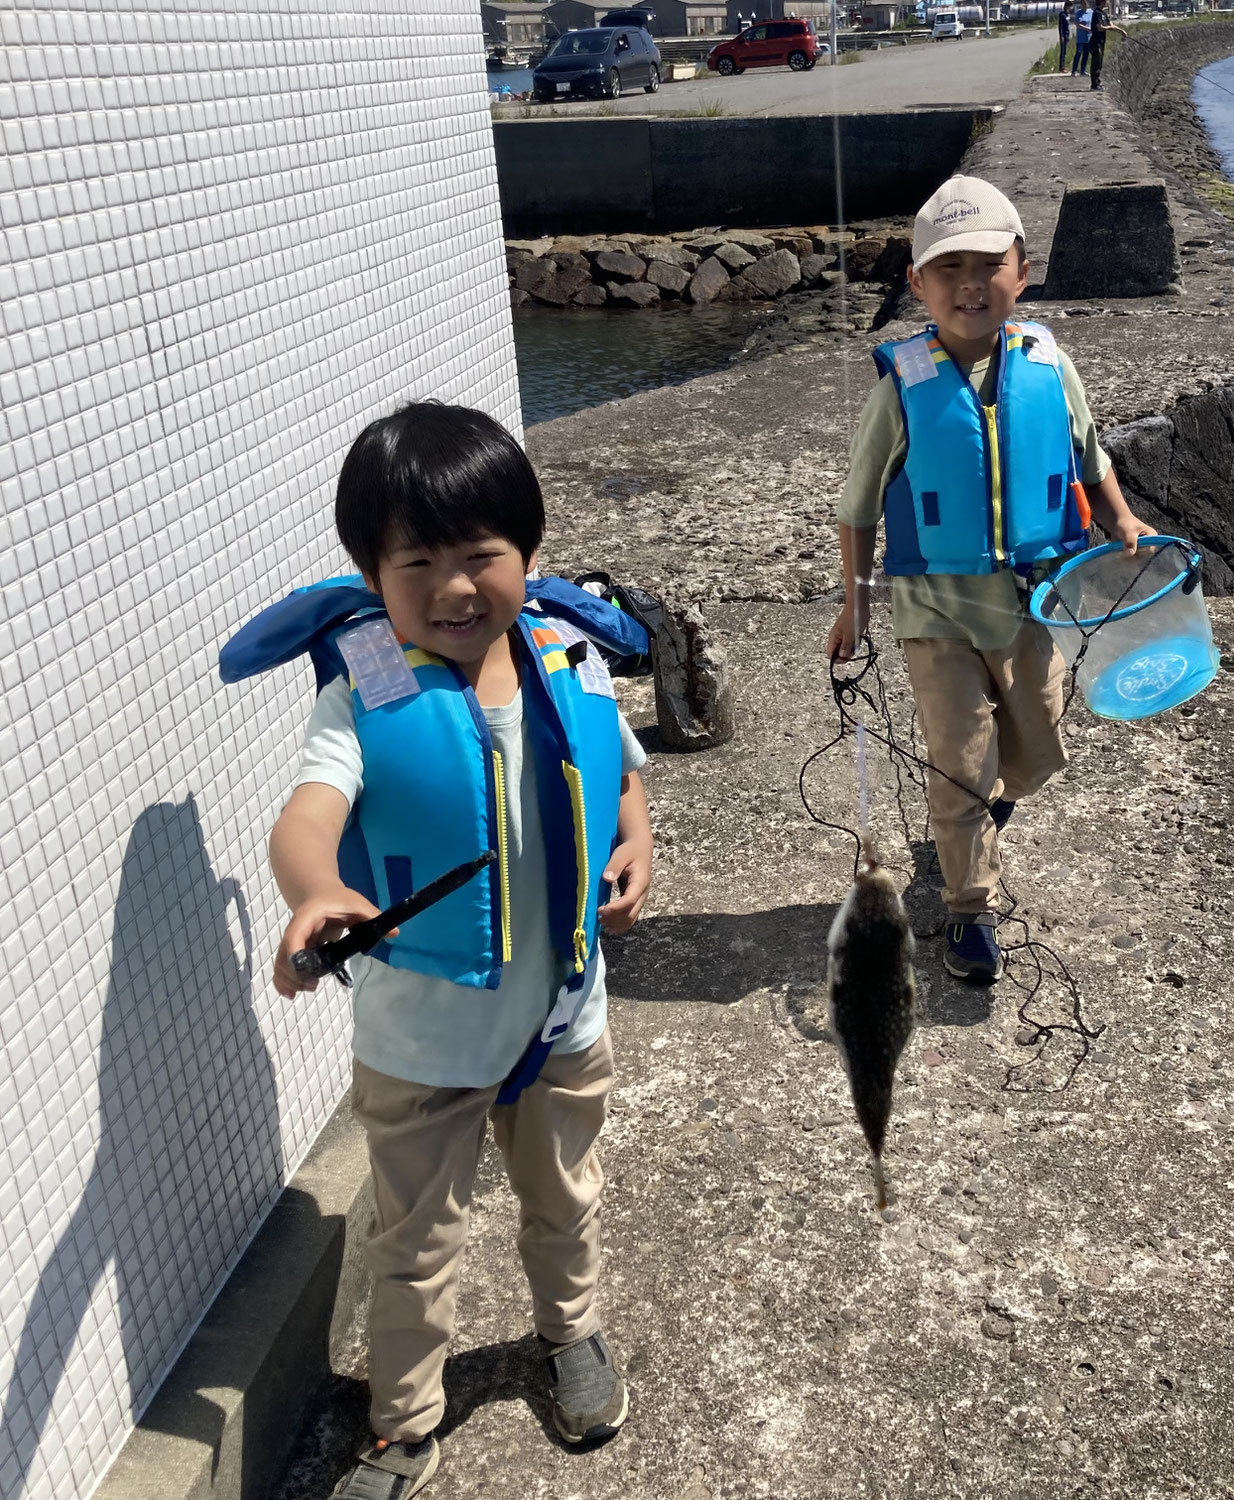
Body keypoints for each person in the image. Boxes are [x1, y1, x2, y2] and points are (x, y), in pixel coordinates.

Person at [232, 404, 653, 1498]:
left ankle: (572, 1333)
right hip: (422, 1046)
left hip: (565, 1021)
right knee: (415, 1245)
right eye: (417, 562)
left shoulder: (572, 659)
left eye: (482, 556)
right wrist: (316, 888)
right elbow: (308, 814)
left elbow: (620, 771)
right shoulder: (362, 691)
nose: (455, 587)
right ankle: (405, 1419)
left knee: (567, 1201)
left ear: (528, 554)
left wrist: (638, 849)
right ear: (371, 575)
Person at [825, 177, 1150, 983]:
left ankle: (972, 823)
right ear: (917, 284)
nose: (970, 284)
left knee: (1037, 750)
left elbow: (1090, 457)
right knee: (960, 761)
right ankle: (970, 909)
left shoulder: (1050, 364)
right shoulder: (901, 388)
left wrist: (1123, 522)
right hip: (935, 612)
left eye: (987, 264)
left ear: (1023, 269)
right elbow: (858, 507)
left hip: (1031, 604)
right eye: (948, 268)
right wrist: (855, 605)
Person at [1089, 0, 1115, 89]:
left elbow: (1110, 24)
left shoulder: (1103, 13)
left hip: (1102, 41)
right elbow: (1100, 27)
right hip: (1095, 42)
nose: (1107, 2)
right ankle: (1094, 84)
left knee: (1100, 63)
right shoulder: (1096, 13)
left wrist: (1121, 31)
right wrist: (1109, 27)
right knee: (1096, 63)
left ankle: (1098, 82)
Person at [1070, 4, 1092, 74]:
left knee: (1086, 54)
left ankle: (1083, 70)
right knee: (1078, 53)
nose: (1084, 5)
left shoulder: (1091, 12)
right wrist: (1087, 29)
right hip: (1080, 37)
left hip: (1088, 37)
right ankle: (1074, 70)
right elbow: (1077, 24)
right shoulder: (1078, 13)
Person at [1056, 0, 1072, 71]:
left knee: (1065, 52)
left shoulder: (1067, 15)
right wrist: (1061, 35)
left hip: (1067, 35)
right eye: (1070, 7)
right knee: (1062, 51)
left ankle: (1063, 66)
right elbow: (1061, 26)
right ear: (1067, 6)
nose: (1071, 8)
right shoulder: (1062, 14)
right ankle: (1061, 67)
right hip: (1063, 35)